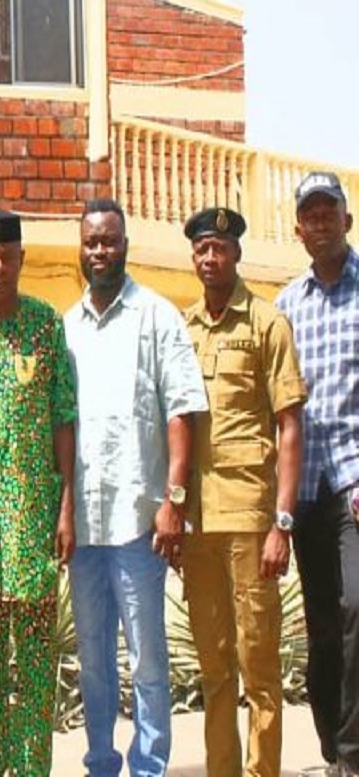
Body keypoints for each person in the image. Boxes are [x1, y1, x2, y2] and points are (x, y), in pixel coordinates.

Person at [63, 198, 207, 777]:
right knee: (94, 661)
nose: (100, 250)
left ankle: (149, 767)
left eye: (109, 240)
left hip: (139, 524)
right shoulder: (66, 328)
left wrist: (174, 501)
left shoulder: (157, 317)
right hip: (85, 530)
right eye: (91, 241)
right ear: (81, 249)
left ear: (125, 245)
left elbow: (182, 413)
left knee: (147, 660)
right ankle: (101, 763)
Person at [180, 207, 306, 777]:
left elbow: (290, 426)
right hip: (199, 524)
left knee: (258, 669)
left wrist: (283, 523)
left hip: (252, 520)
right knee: (214, 668)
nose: (210, 258)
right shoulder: (183, 329)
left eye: (220, 249)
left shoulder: (266, 323)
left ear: (236, 254)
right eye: (202, 249)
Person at [0, 210, 76, 777]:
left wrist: (66, 506)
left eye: (6, 258)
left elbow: (63, 417)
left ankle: (32, 770)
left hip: (33, 522)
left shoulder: (46, 324)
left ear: (21, 259)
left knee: (34, 664)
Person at [276, 171, 359, 777]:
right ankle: (334, 746)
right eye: (311, 214)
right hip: (303, 488)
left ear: (347, 222)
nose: (321, 222)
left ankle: (352, 755)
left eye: (329, 212)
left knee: (357, 606)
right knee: (323, 627)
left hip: (354, 482)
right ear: (299, 229)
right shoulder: (285, 307)